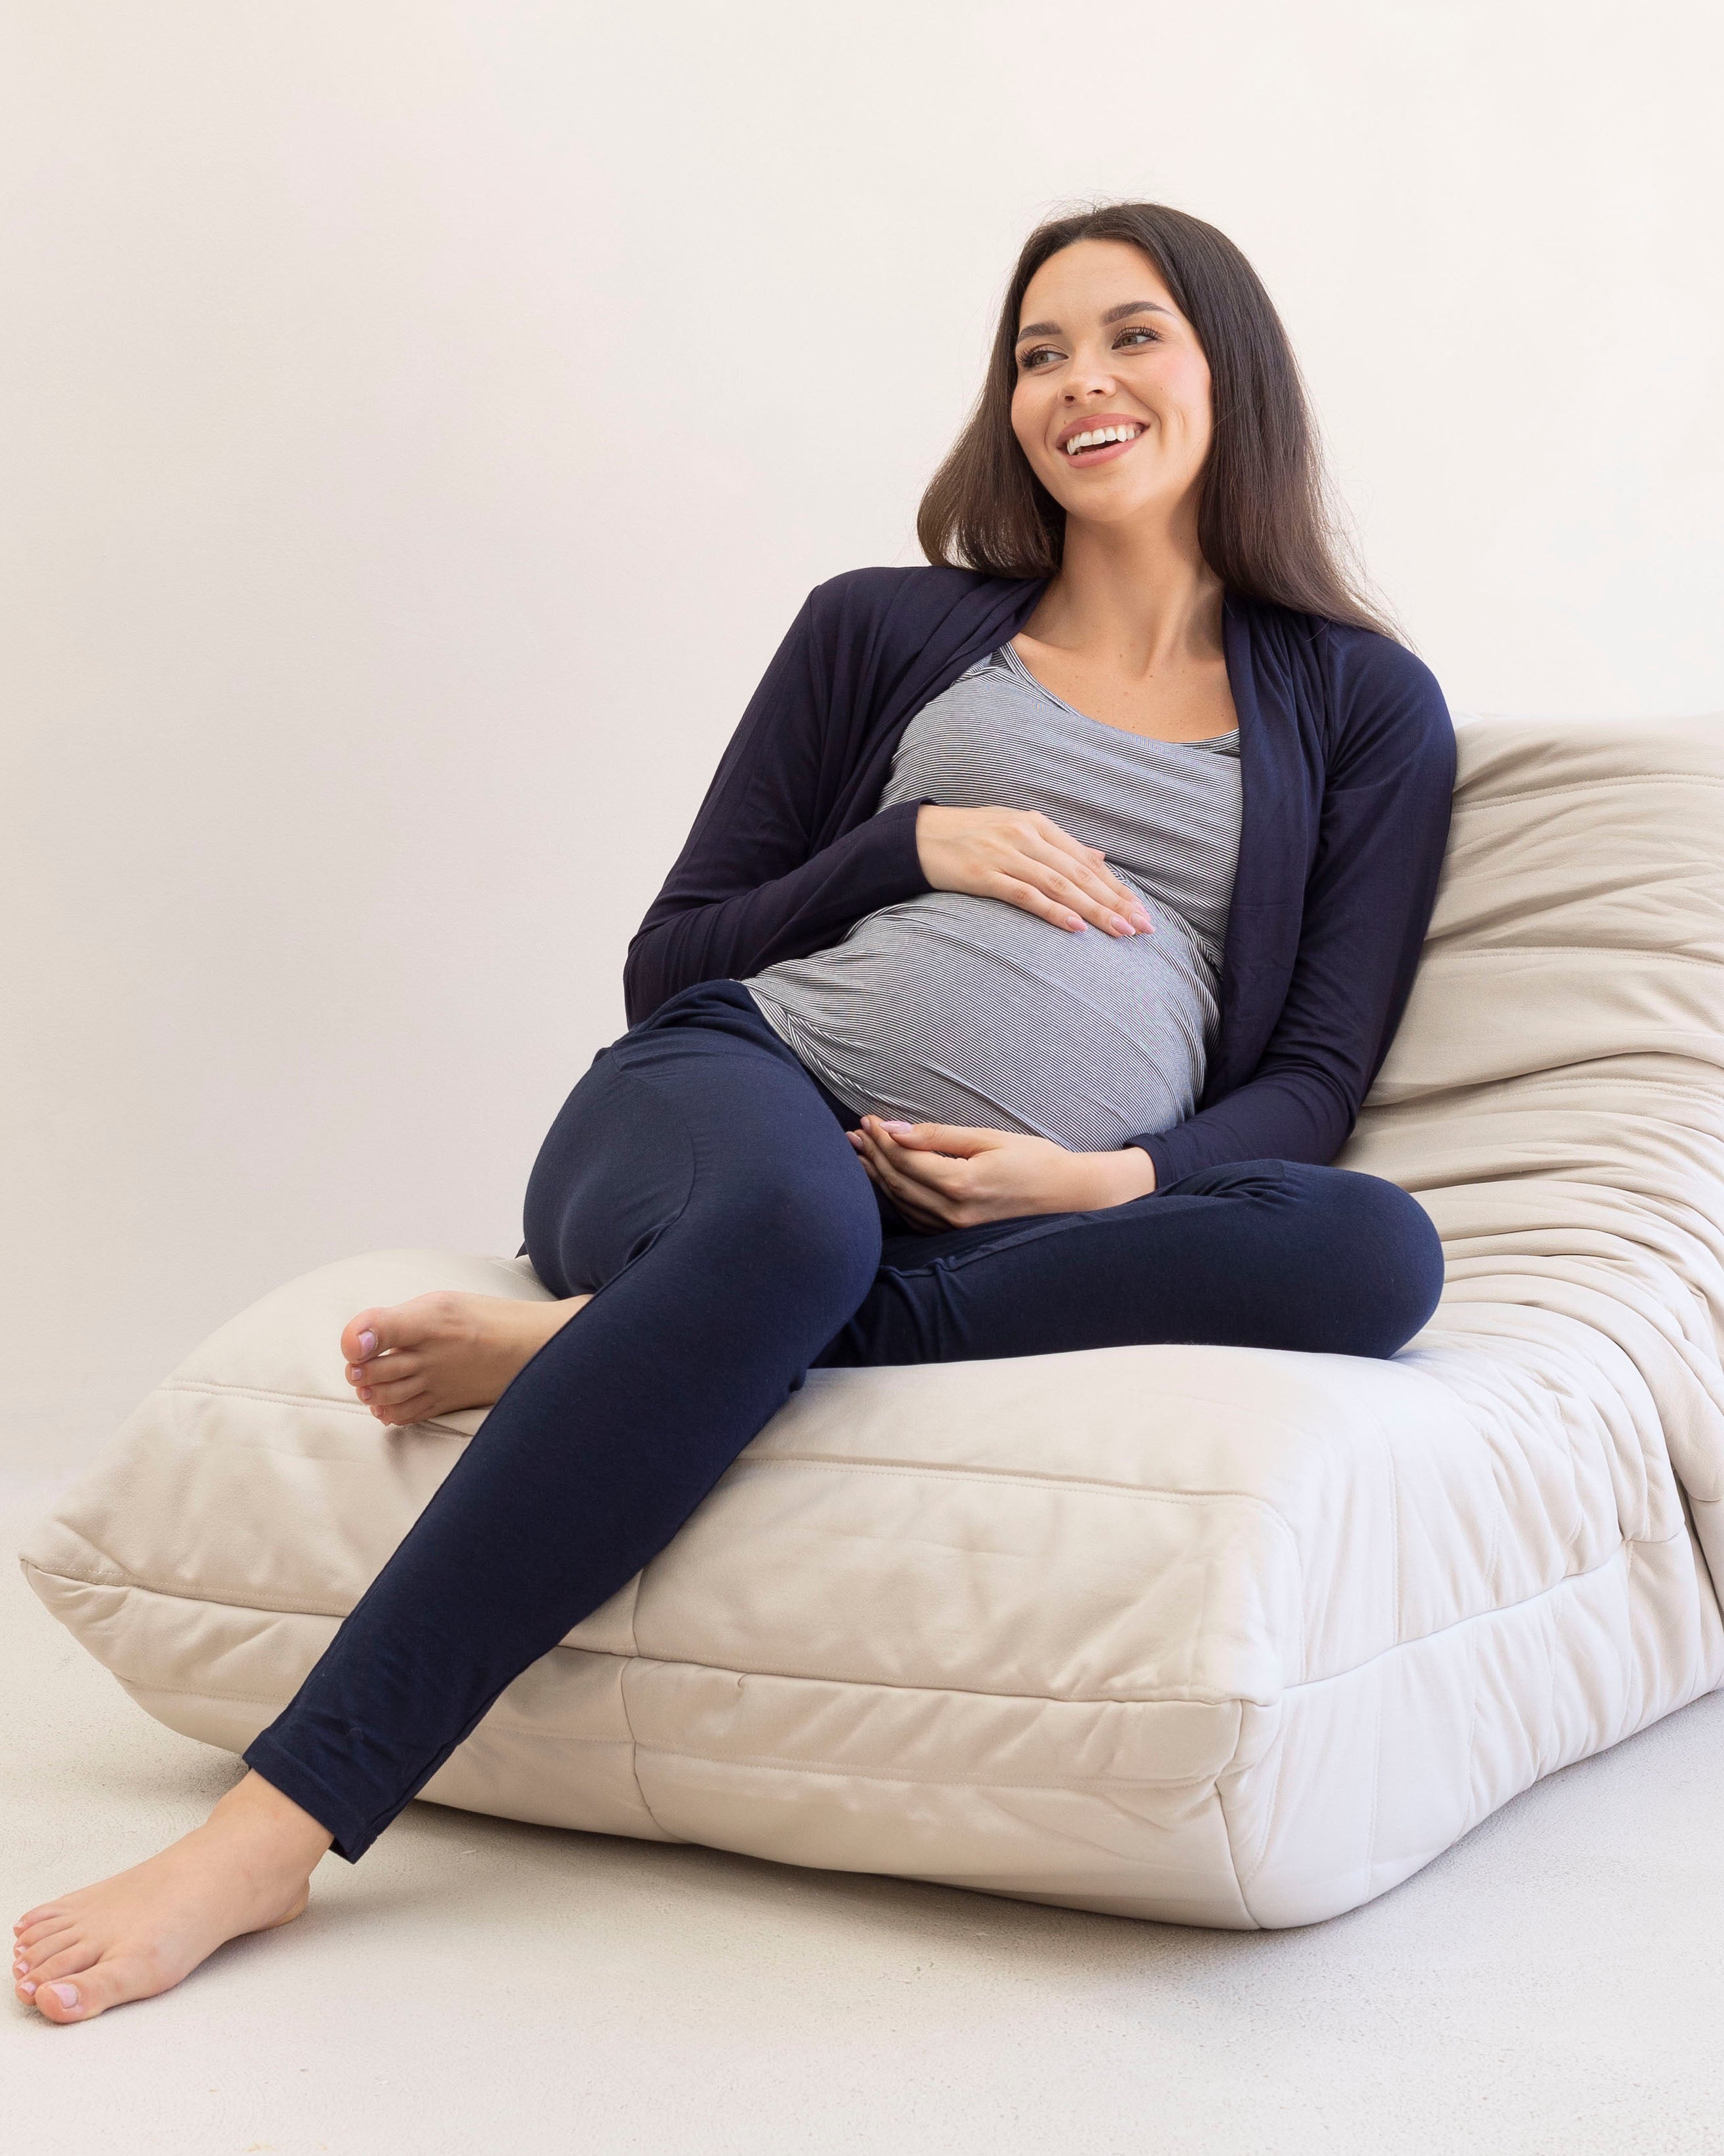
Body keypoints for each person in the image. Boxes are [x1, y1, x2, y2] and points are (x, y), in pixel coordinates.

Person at [14, 200, 1453, 2023]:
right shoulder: (884, 630)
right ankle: (275, 1828)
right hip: (726, 1098)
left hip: (999, 1209)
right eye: (1037, 352)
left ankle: (607, 1348)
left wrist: (1094, 1179)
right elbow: (668, 954)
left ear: (1229, 364)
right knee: (792, 1220)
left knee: (1376, 1250)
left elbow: (1314, 1086)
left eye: (1131, 334)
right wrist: (909, 843)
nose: (1079, 381)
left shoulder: (1365, 705)